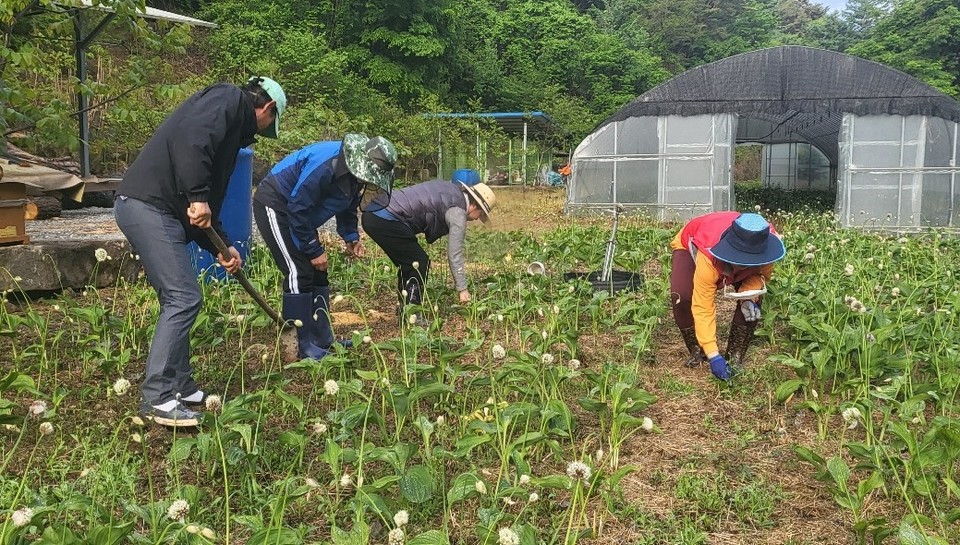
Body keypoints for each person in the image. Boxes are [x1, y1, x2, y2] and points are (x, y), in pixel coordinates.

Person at [115, 76, 286, 427]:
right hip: (149, 206)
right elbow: (191, 141)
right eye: (269, 123)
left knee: (179, 297)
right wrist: (196, 195)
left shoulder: (228, 121)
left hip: (155, 208)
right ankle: (159, 396)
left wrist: (223, 247)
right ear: (267, 108)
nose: (261, 133)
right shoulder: (227, 99)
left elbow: (207, 211)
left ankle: (180, 384)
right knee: (183, 296)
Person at [253, 134, 395, 360]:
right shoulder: (327, 165)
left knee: (319, 270)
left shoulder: (355, 174)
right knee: (298, 270)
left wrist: (350, 236)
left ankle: (322, 339)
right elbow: (298, 207)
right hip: (277, 205)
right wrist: (313, 249)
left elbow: (348, 205)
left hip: (300, 214)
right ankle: (299, 347)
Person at [669, 212, 785, 381]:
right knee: (682, 295)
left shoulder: (766, 243)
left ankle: (734, 356)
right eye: (739, 259)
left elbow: (761, 277)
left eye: (748, 261)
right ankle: (698, 350)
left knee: (754, 299)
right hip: (692, 243)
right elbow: (703, 305)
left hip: (739, 250)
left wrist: (747, 296)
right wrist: (713, 354)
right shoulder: (708, 252)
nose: (742, 266)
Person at [361, 179, 495, 317]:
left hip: (374, 212)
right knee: (418, 262)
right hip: (385, 217)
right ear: (474, 206)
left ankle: (406, 310)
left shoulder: (450, 189)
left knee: (409, 262)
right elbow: (455, 253)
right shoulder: (458, 213)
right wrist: (463, 289)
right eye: (481, 214)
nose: (477, 219)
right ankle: (412, 314)